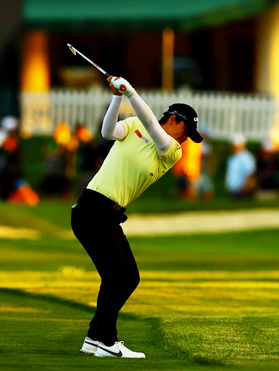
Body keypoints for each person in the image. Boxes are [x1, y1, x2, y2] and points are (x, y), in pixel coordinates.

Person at [72, 75, 201, 359]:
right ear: (175, 120)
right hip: (92, 209)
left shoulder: (172, 152)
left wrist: (130, 91)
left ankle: (94, 338)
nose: (185, 139)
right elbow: (108, 132)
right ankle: (107, 340)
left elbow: (154, 129)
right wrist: (118, 96)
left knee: (128, 277)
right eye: (186, 131)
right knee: (117, 277)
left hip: (108, 214)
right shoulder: (133, 125)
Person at [225, 134, 256, 198]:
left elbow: (250, 174)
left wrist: (246, 190)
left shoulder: (246, 157)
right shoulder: (232, 157)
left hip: (241, 191)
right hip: (233, 190)